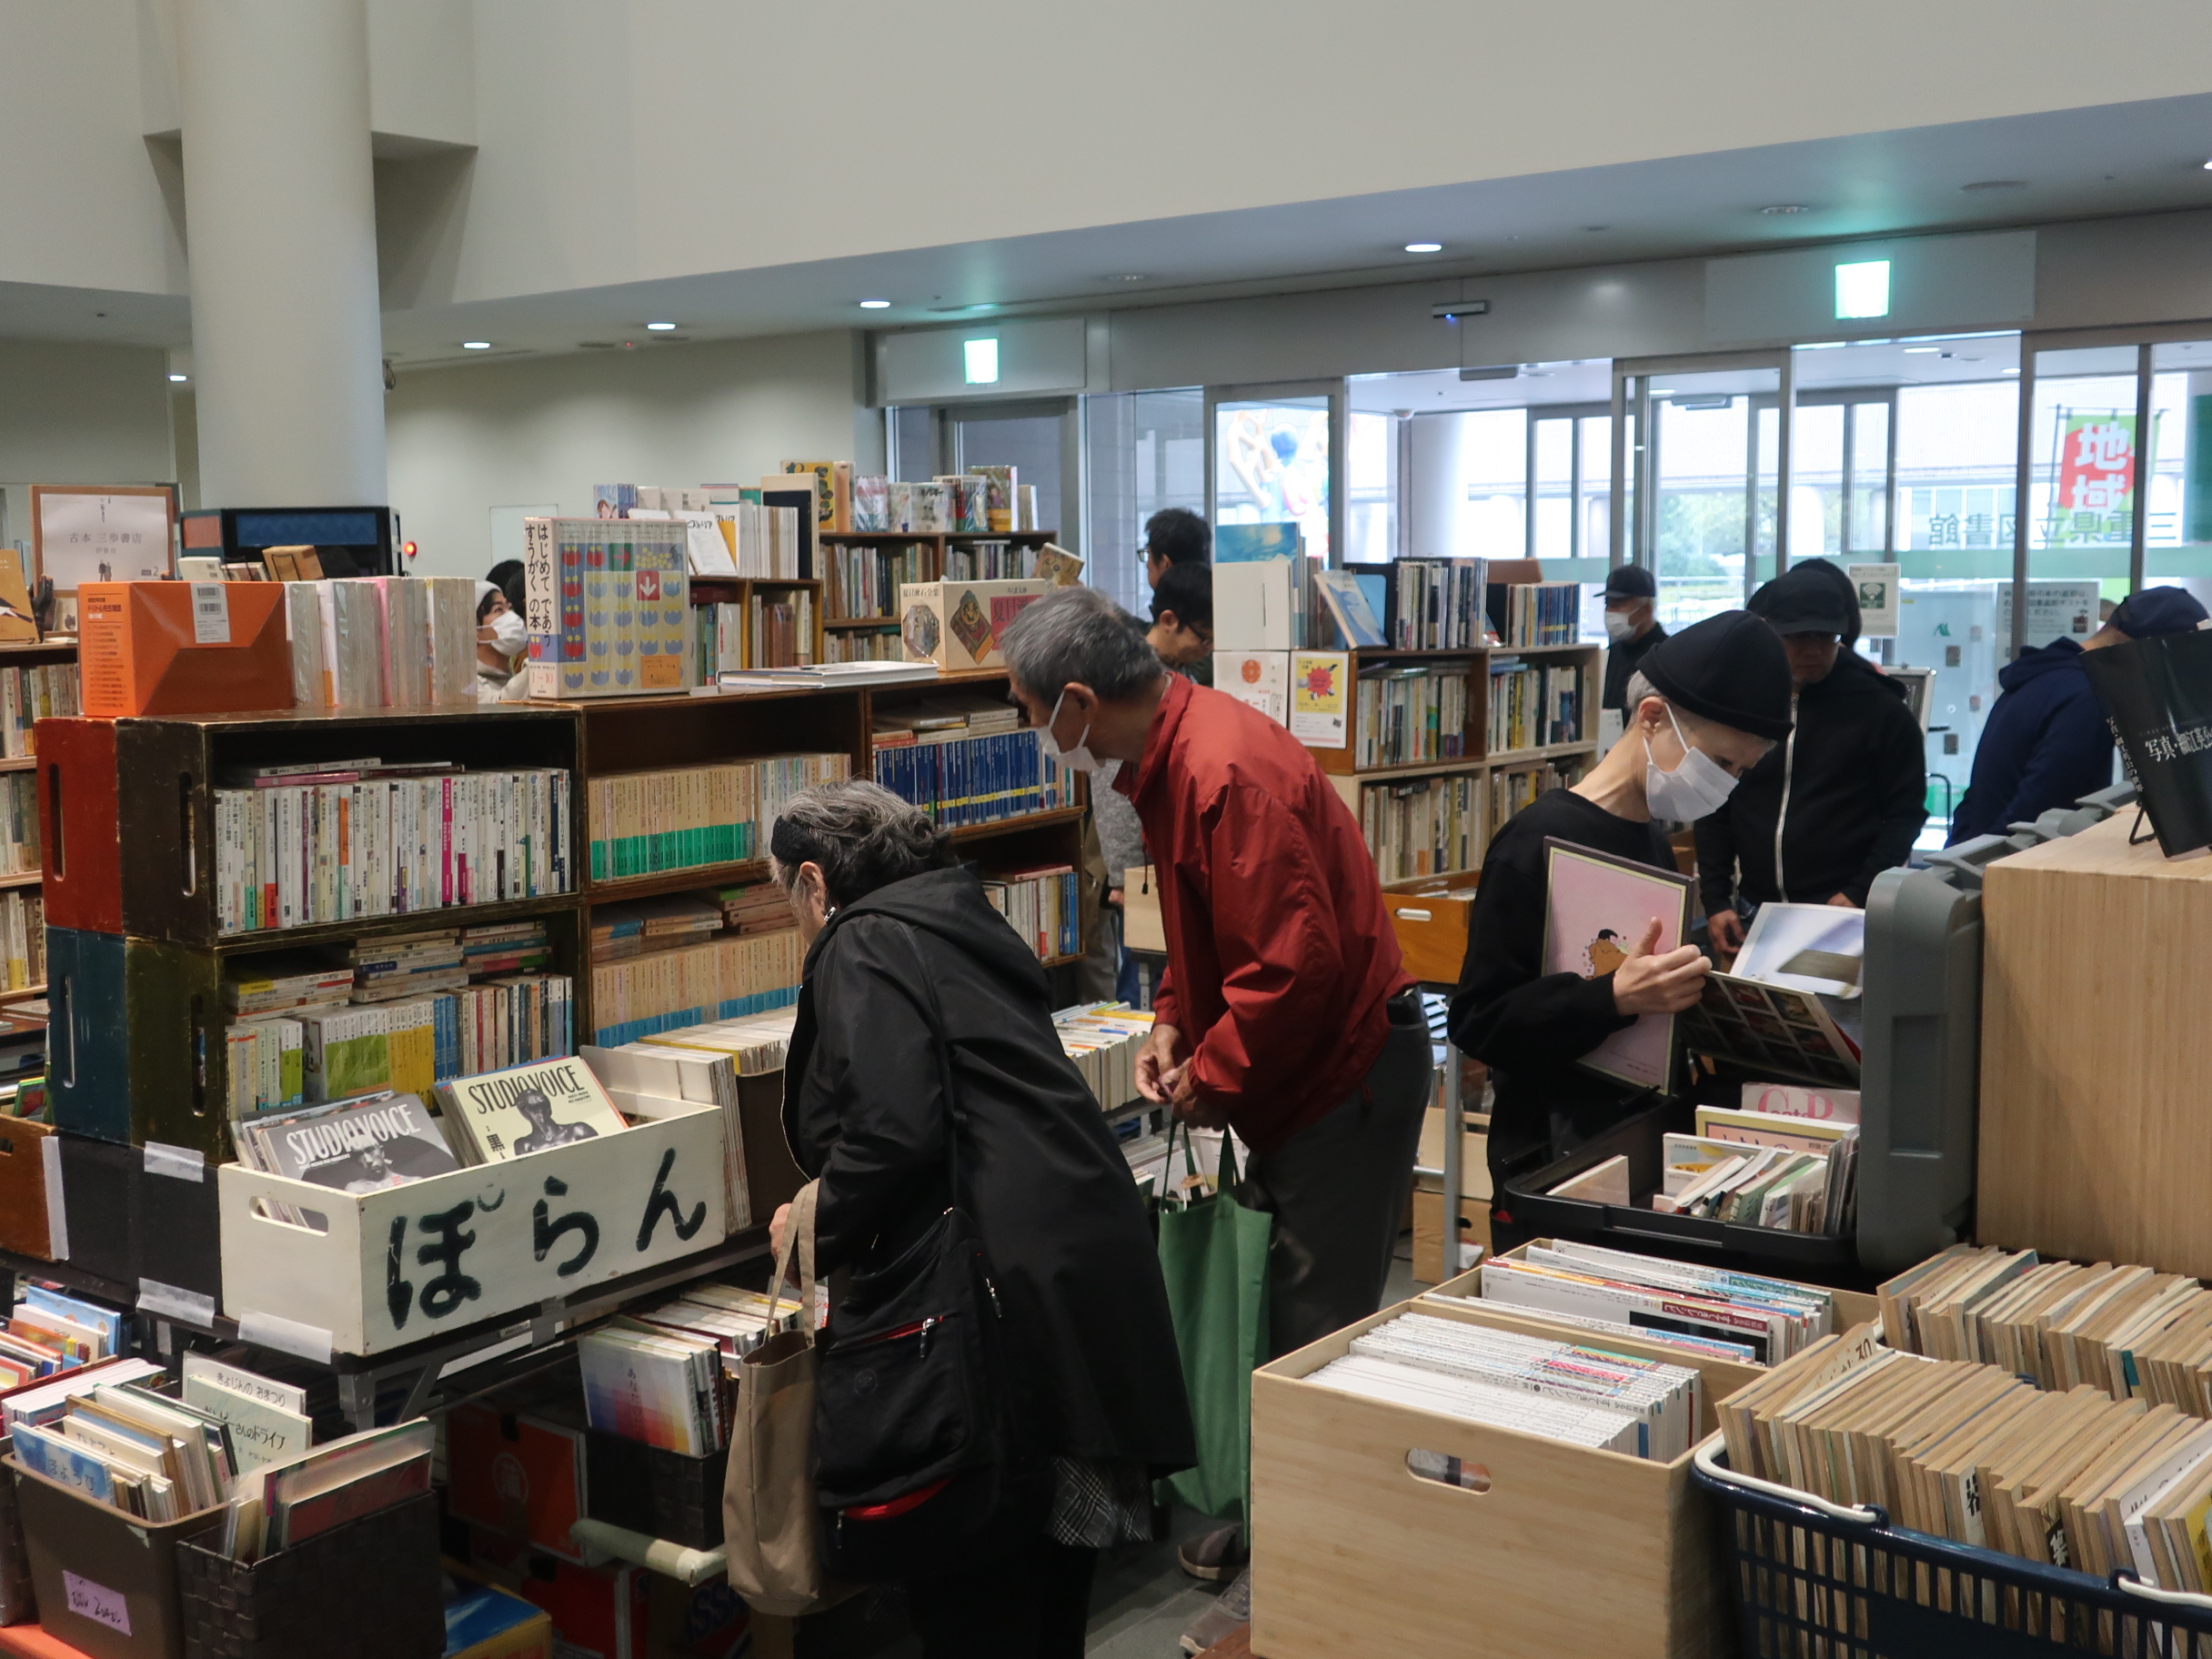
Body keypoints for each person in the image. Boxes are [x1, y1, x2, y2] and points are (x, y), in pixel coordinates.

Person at [1000, 586, 1429, 1594]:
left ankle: (1312, 1579)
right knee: (1273, 1309)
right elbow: (1212, 930)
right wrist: (1171, 1023)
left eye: (1027, 713)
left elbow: (1291, 968)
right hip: (1303, 1071)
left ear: (1073, 701)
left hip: (1342, 1074)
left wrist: (1213, 1073)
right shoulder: (1171, 753)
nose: (1031, 734)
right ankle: (1274, 1517)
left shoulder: (1220, 771)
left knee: (1309, 1324)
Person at [765, 779, 1193, 1659]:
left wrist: (814, 1229)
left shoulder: (862, 941)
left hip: (994, 1300)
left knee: (978, 1594)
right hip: (1075, 1271)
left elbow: (893, 1132)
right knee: (1048, 1588)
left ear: (815, 883)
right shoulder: (962, 919)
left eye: (789, 905)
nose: (797, 927)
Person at [1449, 612, 1793, 1241]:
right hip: (1551, 1164)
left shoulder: (1653, 839)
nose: (1726, 786)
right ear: (1653, 717)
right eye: (1720, 761)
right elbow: (1478, 1020)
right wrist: (1611, 997)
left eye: (1741, 771)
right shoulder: (1533, 842)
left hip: (1631, 1142)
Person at [1696, 561, 1927, 959]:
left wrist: (1860, 890)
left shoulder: (1880, 709)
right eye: (1798, 636)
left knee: (1838, 1021)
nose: (1813, 649)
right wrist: (1716, 898)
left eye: (1826, 635)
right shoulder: (1741, 701)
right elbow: (1714, 800)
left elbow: (1905, 814)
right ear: (1770, 631)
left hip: (1842, 914)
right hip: (1753, 912)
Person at [1948, 585, 2208, 843]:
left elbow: (1981, 792)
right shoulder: (2087, 698)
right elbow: (2040, 813)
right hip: (2009, 868)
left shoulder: (2037, 678)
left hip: (1975, 852)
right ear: (2149, 649)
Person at [1599, 564, 1667, 719]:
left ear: (1646, 609)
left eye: (1619, 603)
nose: (1610, 611)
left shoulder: (1666, 657)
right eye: (1608, 603)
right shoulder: (1610, 654)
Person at [1146, 558, 1214, 672]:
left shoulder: (1179, 664)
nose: (1210, 649)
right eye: (1205, 639)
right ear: (1169, 621)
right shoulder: (1136, 678)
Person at [474, 581, 528, 702]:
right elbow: (502, 703)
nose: (510, 616)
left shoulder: (511, 677)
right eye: (498, 609)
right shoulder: (467, 685)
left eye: (509, 608)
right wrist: (542, 658)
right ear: (474, 630)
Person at [1143, 507, 1212, 589]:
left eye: (1149, 554)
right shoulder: (1219, 598)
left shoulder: (1166, 602)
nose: (1147, 565)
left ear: (1165, 564)